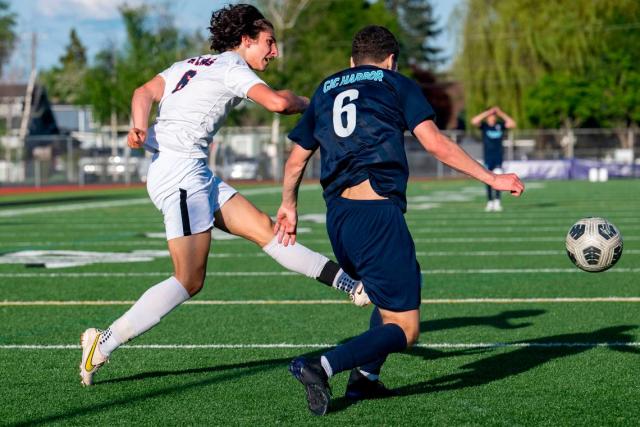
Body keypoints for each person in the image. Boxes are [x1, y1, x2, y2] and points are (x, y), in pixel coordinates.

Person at [79, 4, 370, 387]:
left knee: (266, 230)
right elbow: (279, 103)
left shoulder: (190, 63)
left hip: (190, 172)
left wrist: (138, 126)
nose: (274, 51)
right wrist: (316, 103)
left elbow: (143, 92)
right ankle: (103, 342)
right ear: (246, 40)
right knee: (189, 279)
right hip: (181, 176)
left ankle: (351, 285)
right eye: (269, 42)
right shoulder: (232, 68)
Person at [274, 25, 524, 416]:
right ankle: (321, 366)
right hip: (376, 216)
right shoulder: (394, 82)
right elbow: (436, 143)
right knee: (406, 330)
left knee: (396, 287)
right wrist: (494, 178)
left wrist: (289, 205)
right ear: (390, 60)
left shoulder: (325, 88)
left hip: (339, 218)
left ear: (351, 61)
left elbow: (295, 161)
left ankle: (364, 380)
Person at [471, 106, 517, 212]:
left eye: (493, 116)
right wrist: (487, 112)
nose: (492, 118)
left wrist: (500, 113)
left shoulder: (500, 125)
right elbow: (474, 121)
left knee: (498, 178)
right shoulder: (484, 126)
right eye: (490, 116)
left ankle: (497, 201)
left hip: (498, 158)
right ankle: (490, 201)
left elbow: (512, 123)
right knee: (487, 180)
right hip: (488, 158)